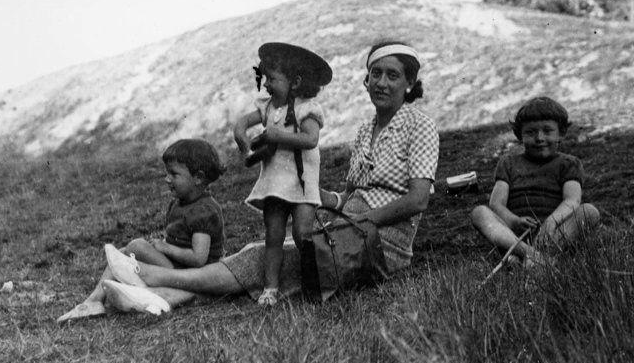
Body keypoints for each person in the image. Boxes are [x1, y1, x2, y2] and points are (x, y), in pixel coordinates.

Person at [101, 41, 440, 309]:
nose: (381, 83)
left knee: (266, 257)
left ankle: (145, 274)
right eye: (375, 74)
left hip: (381, 245)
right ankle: (159, 296)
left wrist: (358, 221)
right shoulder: (366, 130)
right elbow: (351, 196)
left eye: (392, 75)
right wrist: (324, 198)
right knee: (268, 251)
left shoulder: (420, 126)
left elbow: (417, 200)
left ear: (410, 82)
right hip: (348, 231)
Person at [57, 139, 226, 322]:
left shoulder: (203, 210)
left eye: (174, 174)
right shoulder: (180, 203)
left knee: (136, 247)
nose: (167, 179)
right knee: (123, 253)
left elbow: (199, 259)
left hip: (193, 274)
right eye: (167, 173)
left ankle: (134, 286)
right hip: (177, 266)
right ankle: (94, 300)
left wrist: (165, 248)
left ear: (198, 178)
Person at [233, 42, 331, 306]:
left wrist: (278, 135)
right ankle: (270, 288)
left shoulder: (306, 108)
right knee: (273, 234)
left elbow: (311, 140)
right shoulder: (267, 107)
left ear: (296, 81)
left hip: (301, 183)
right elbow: (242, 123)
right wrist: (244, 144)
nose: (266, 84)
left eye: (273, 79)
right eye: (264, 78)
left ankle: (318, 282)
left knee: (302, 234)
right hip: (274, 182)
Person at [470, 97, 600, 267]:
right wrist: (515, 221)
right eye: (530, 132)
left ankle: (531, 256)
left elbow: (572, 200)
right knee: (479, 212)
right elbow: (496, 204)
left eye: (547, 131)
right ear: (520, 136)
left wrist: (551, 223)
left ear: (561, 133)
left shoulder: (569, 163)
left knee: (589, 211)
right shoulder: (508, 163)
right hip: (515, 235)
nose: (539, 138)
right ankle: (530, 255)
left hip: (554, 233)